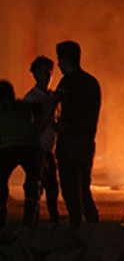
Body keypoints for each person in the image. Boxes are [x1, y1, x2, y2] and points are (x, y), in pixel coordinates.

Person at [55, 40, 100, 227]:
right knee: (83, 186)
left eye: (59, 59)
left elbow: (57, 106)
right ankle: (92, 224)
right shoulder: (92, 83)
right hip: (87, 142)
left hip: (70, 143)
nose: (58, 64)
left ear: (66, 59)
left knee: (69, 188)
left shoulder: (67, 82)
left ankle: (76, 225)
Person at [22, 56, 60, 224]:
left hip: (49, 150)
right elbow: (34, 128)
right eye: (41, 72)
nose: (45, 75)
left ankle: (52, 224)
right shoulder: (31, 99)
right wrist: (50, 109)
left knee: (52, 190)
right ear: (35, 75)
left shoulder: (52, 96)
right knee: (34, 189)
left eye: (48, 72)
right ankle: (30, 225)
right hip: (35, 150)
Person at [0, 81, 42, 227]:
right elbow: (40, 111)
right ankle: (30, 218)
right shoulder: (23, 105)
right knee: (32, 182)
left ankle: (1, 217)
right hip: (31, 146)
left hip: (8, 146)